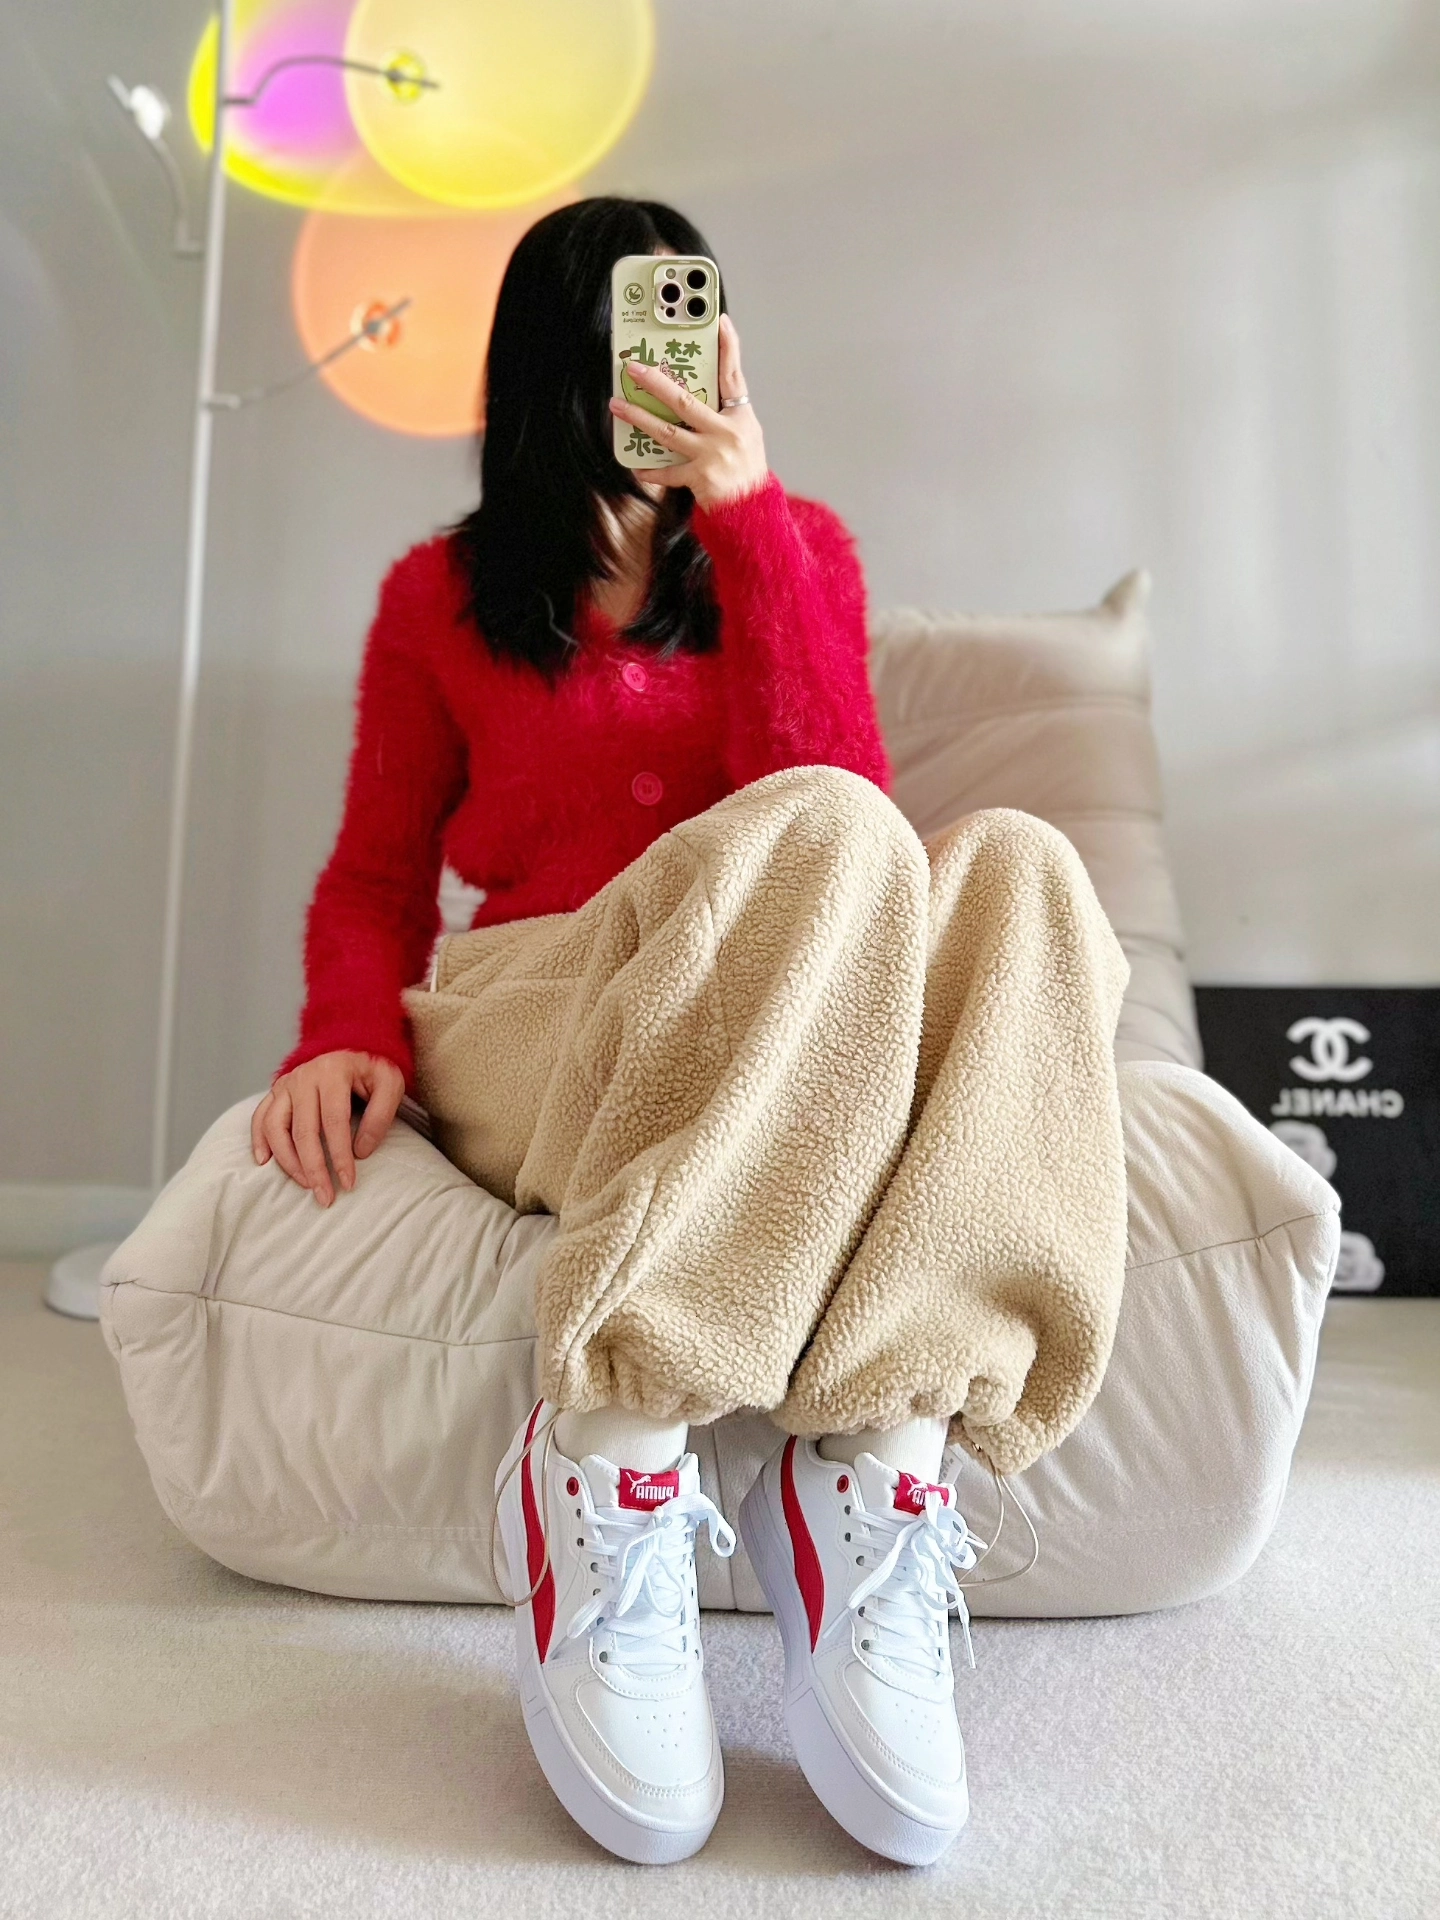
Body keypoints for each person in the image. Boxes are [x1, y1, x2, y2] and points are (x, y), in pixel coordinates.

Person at [251, 198, 1130, 1868]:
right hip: (550, 1004)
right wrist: (339, 1031)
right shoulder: (441, 598)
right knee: (837, 844)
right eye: (619, 349)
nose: (656, 380)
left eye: (684, 335)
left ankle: (875, 1455)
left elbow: (842, 810)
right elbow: (374, 875)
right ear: (550, 371)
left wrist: (750, 528)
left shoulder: (798, 550)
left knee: (1016, 868)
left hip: (775, 1001)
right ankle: (611, 1444)